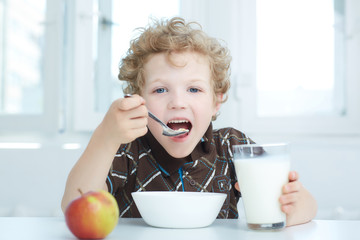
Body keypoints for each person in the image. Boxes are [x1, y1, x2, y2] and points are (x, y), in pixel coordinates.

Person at [61, 17, 317, 226]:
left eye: (194, 89)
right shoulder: (125, 148)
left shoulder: (232, 145)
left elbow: (306, 207)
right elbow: (73, 205)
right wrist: (105, 137)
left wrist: (292, 204)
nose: (177, 102)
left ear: (216, 101)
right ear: (139, 101)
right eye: (160, 90)